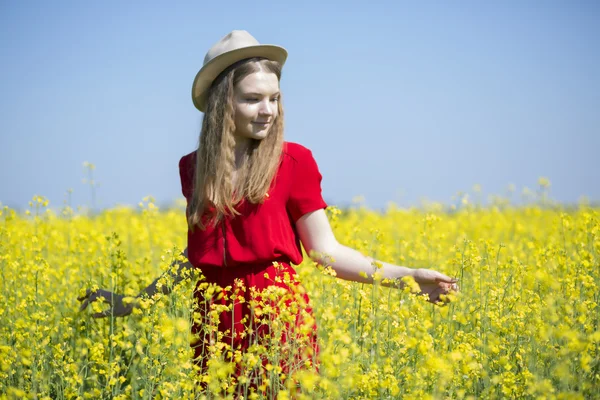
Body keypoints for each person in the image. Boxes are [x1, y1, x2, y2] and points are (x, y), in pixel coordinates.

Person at [78, 30, 459, 394]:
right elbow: (199, 255)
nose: (268, 111)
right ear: (222, 102)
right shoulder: (193, 168)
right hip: (213, 317)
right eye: (253, 99)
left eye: (274, 98)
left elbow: (327, 253)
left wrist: (407, 278)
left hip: (276, 317)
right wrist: (136, 302)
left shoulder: (294, 160)